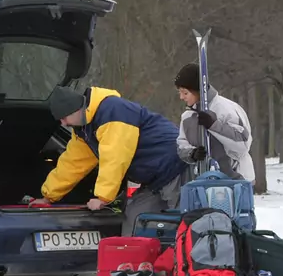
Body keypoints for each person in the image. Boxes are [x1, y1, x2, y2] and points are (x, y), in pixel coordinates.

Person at [30, 85, 190, 236]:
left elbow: (115, 156)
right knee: (135, 221)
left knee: (182, 224)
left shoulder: (112, 111)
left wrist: (102, 197)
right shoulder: (84, 129)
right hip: (152, 179)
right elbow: (72, 164)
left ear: (76, 109)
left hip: (174, 166)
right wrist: (48, 197)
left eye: (64, 118)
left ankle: (184, 262)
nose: (64, 123)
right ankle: (132, 264)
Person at [173, 63, 255, 182]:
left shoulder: (226, 109)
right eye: (179, 92)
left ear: (198, 90)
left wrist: (214, 125)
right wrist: (192, 153)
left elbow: (243, 143)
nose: (181, 97)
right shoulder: (187, 117)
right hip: (203, 182)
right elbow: (181, 146)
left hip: (235, 181)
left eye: (185, 93)